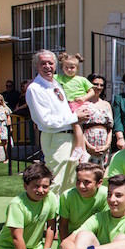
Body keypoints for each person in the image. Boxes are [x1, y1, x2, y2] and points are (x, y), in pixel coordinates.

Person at [26, 49, 90, 197]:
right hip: (55, 139)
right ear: (37, 66)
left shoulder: (55, 83)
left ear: (55, 65)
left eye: (50, 63)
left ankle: (64, 218)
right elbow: (46, 120)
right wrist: (75, 117)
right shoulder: (35, 89)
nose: (47, 66)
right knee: (56, 181)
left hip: (69, 136)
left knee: (70, 180)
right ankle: (51, 218)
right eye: (43, 63)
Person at [58, 163, 108, 249]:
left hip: (95, 241)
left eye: (87, 182)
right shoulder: (67, 196)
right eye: (78, 181)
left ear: (99, 183)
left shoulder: (105, 195)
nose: (81, 186)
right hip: (72, 242)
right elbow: (63, 225)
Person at [54, 52, 96, 162]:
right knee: (77, 126)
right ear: (62, 68)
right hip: (69, 106)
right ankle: (83, 151)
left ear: (77, 68)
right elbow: (47, 78)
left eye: (72, 67)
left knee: (76, 125)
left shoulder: (81, 80)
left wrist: (83, 98)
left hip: (80, 105)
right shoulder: (59, 78)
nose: (69, 70)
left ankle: (78, 149)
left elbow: (92, 91)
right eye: (66, 67)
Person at [83, 73, 113, 167]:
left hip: (103, 145)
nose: (99, 87)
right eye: (95, 84)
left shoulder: (106, 104)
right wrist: (89, 146)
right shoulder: (84, 104)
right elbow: (79, 127)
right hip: (88, 144)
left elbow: (110, 127)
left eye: (101, 85)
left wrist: (107, 145)